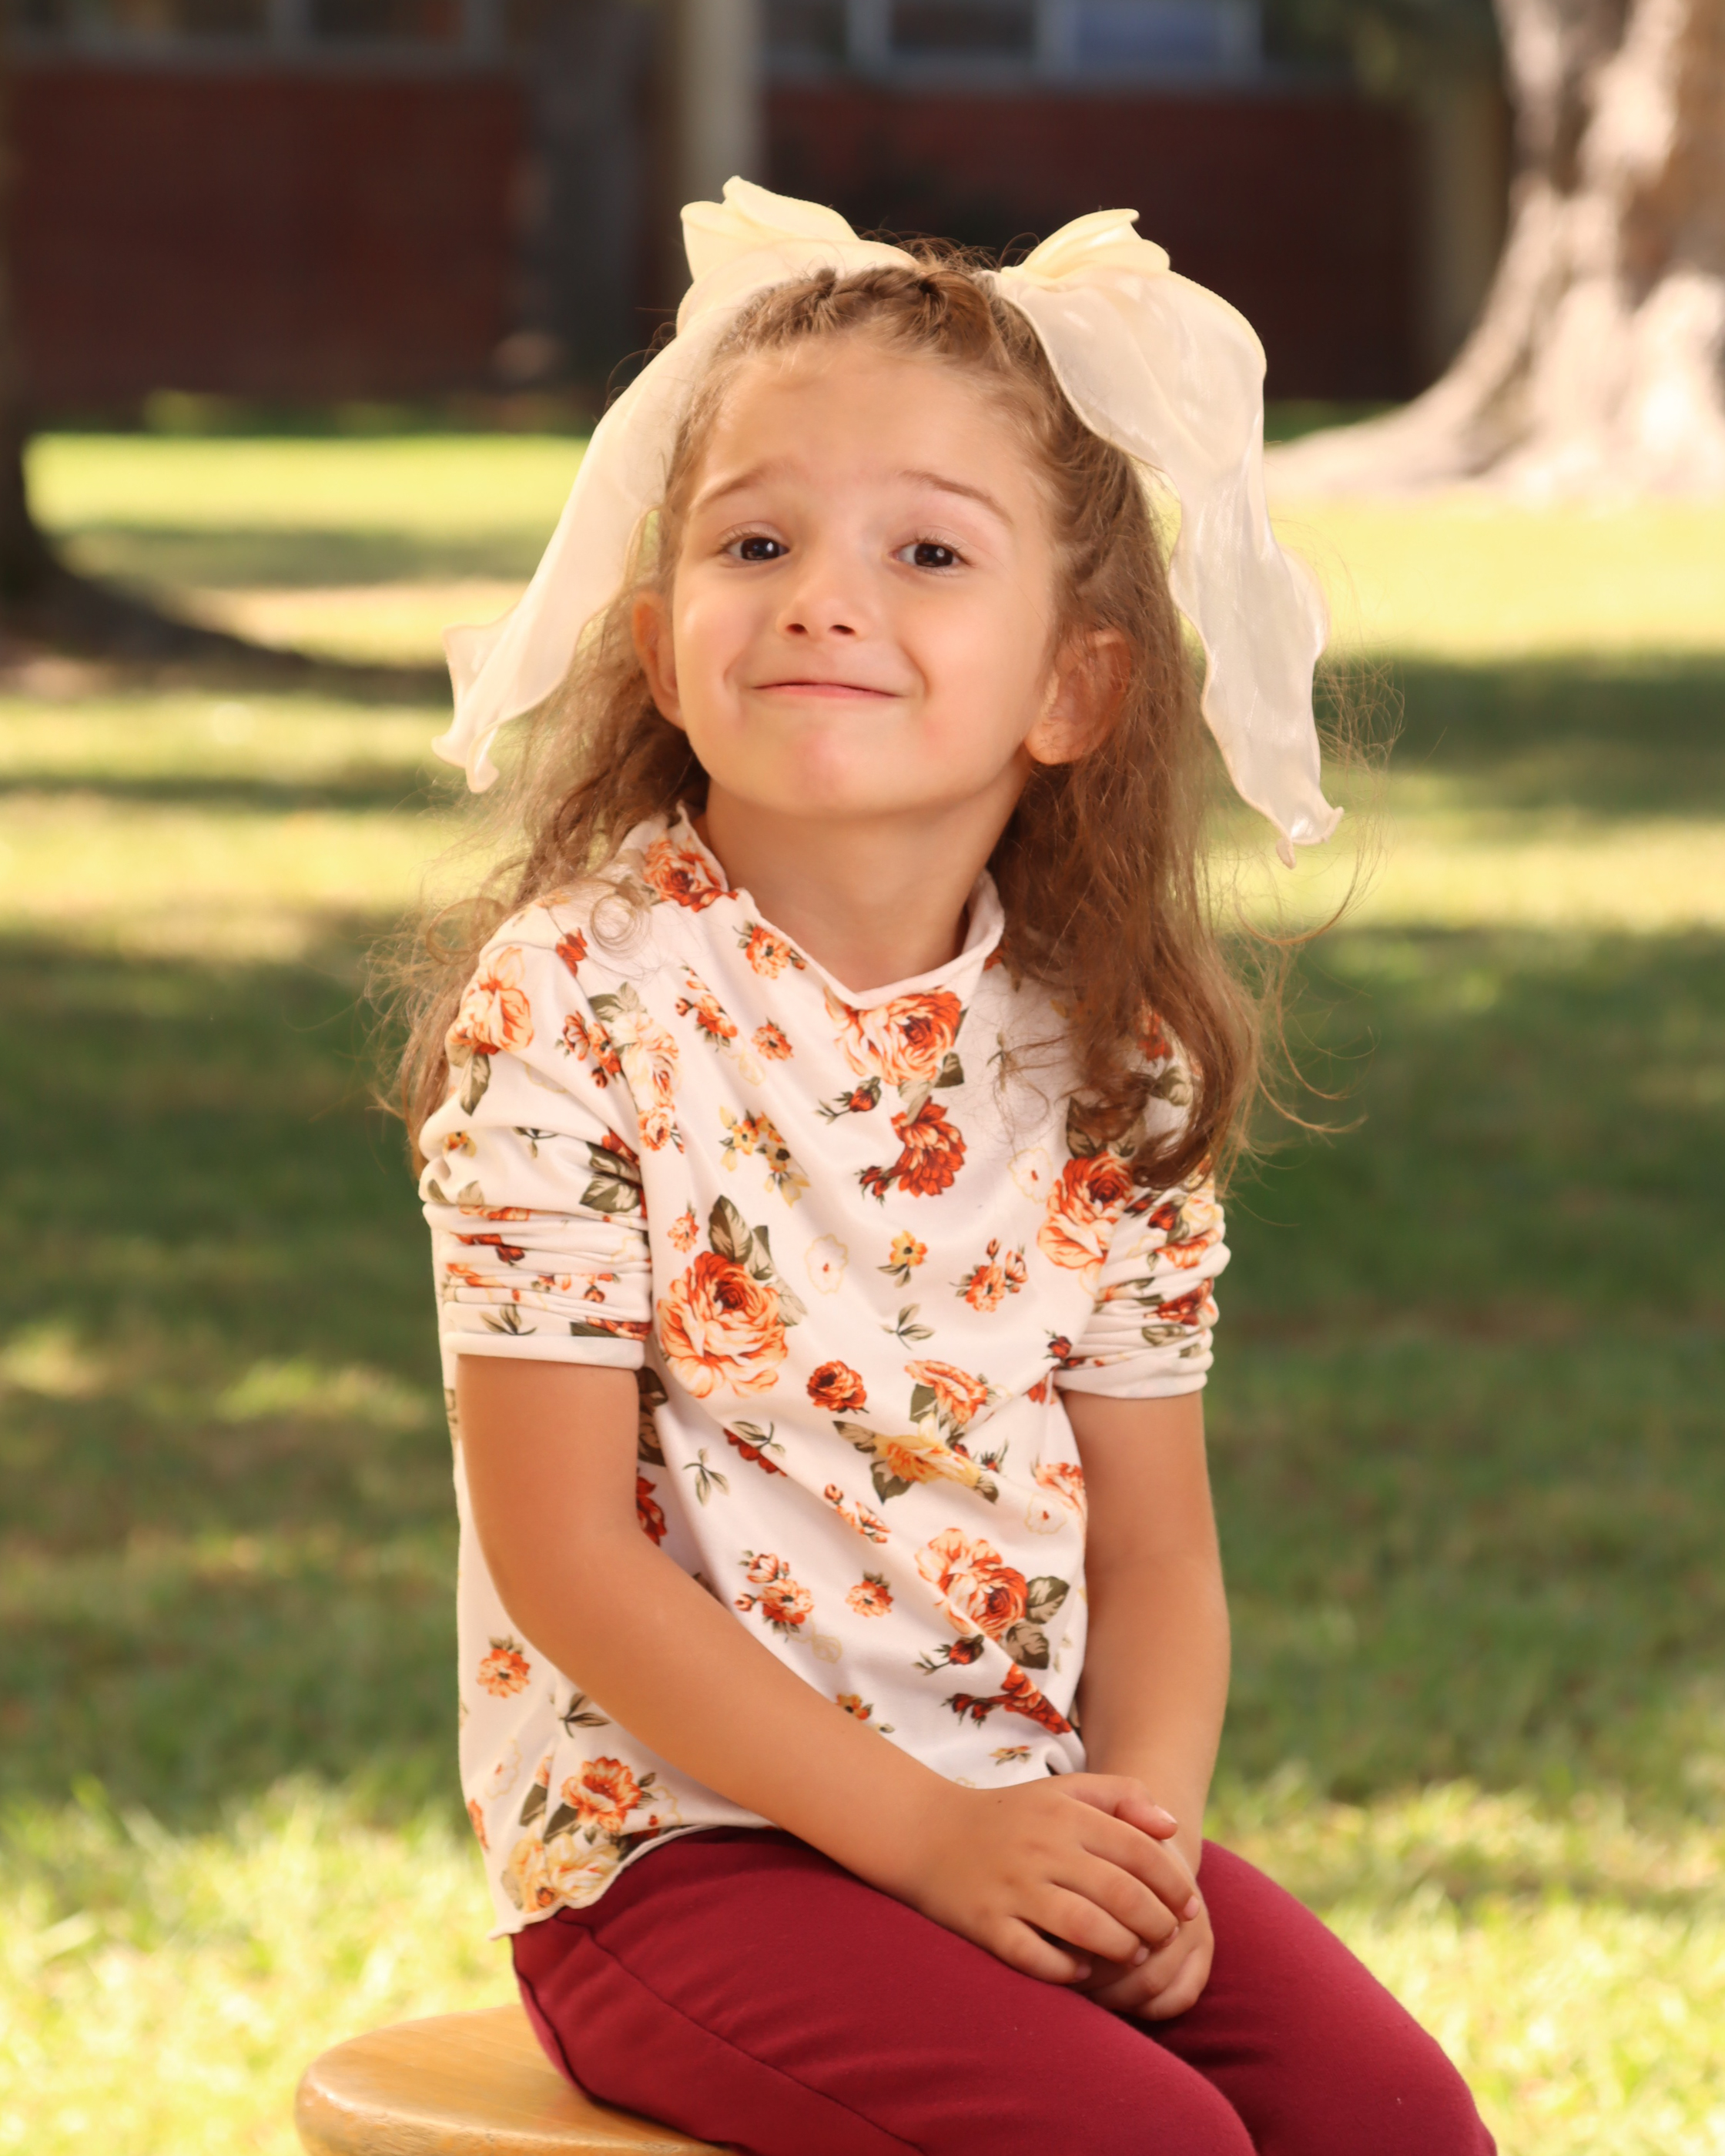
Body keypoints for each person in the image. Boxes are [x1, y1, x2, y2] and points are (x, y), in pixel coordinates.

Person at [399, 182, 1494, 2156]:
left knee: (1390, 2123)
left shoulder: (1109, 1054)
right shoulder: (577, 998)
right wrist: (925, 1838)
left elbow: (1155, 1553)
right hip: (676, 1850)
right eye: (756, 542)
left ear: (1073, 686)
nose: (824, 597)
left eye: (925, 550)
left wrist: (1138, 1845)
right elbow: (564, 1552)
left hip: (1013, 1795)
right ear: (662, 651)